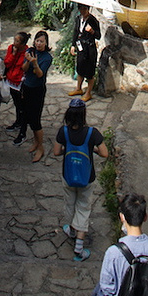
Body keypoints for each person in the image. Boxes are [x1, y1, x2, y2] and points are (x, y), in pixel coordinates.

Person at [53, 98, 109, 262]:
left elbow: (56, 152)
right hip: (87, 177)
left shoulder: (63, 132)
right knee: (83, 207)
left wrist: (69, 149)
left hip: (68, 175)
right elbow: (105, 153)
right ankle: (79, 246)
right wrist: (93, 151)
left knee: (69, 203)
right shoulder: (92, 133)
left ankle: (70, 230)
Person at [14, 30, 52, 162]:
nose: (39, 44)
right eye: (37, 41)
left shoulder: (47, 57)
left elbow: (40, 74)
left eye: (42, 41)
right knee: (27, 115)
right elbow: (24, 69)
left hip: (37, 90)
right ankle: (36, 142)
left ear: (46, 43)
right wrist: (28, 61)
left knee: (36, 120)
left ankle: (40, 147)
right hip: (27, 87)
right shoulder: (30, 51)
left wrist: (35, 63)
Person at [70, 2, 101, 102]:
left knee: (89, 71)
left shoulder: (93, 21)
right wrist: (73, 45)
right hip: (81, 48)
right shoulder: (78, 19)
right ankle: (78, 88)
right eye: (81, 9)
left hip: (90, 49)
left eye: (85, 9)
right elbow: (76, 32)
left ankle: (88, 93)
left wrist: (92, 31)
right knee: (80, 68)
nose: (83, 11)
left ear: (88, 9)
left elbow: (98, 36)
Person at [3, 30, 30, 131]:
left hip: (19, 82)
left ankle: (21, 122)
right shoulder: (11, 48)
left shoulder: (27, 53)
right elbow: (7, 63)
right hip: (11, 81)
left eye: (17, 41)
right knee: (16, 103)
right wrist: (13, 54)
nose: (14, 42)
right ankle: (19, 121)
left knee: (21, 104)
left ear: (23, 44)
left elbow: (23, 68)